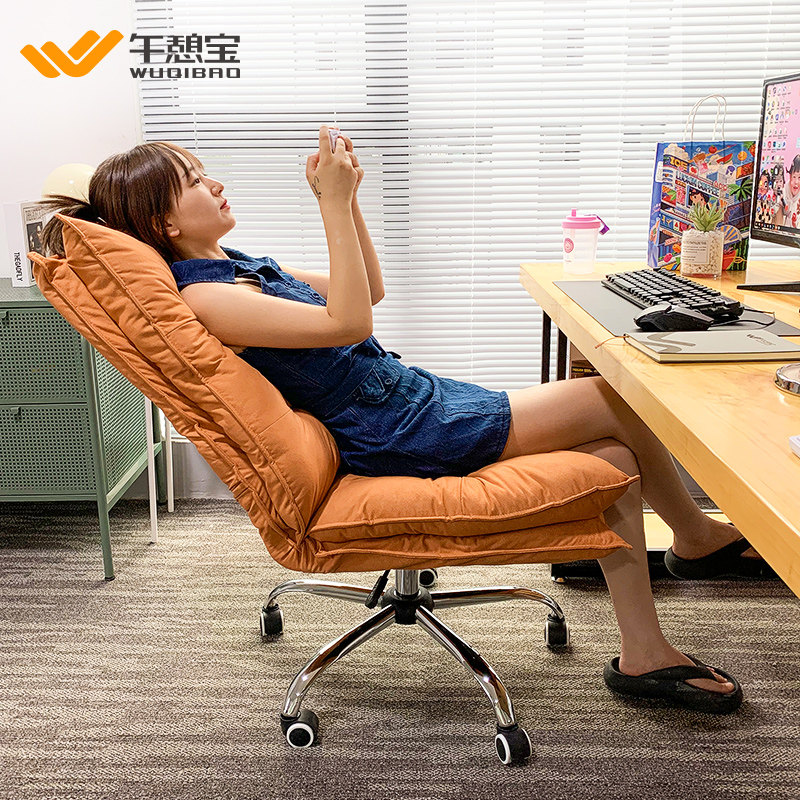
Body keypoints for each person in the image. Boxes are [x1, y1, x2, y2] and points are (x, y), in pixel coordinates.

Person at [40, 127, 758, 714]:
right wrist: (331, 204)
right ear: (165, 222)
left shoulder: (240, 267)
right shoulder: (206, 299)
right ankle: (694, 538)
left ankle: (643, 654)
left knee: (613, 457)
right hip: (396, 431)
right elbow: (346, 322)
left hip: (409, 402)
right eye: (196, 181)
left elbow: (369, 292)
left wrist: (348, 202)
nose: (216, 183)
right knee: (615, 398)